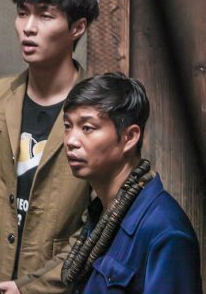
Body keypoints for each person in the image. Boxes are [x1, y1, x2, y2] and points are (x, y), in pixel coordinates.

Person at [0, 0, 99, 293]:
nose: (28, 28)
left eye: (45, 16)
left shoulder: (99, 112)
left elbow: (100, 221)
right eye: (22, 14)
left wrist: (32, 287)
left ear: (77, 28)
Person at [61, 73, 202, 293]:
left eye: (87, 128)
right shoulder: (102, 212)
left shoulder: (165, 232)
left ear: (129, 137)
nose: (71, 140)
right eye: (67, 126)